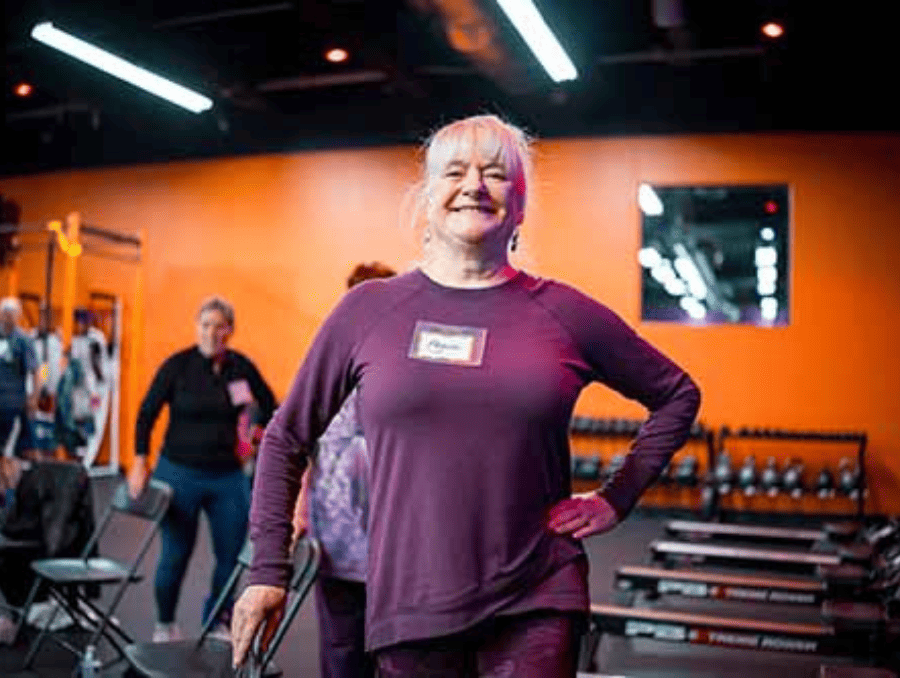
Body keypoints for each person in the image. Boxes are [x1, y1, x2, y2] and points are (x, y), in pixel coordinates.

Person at [232, 114, 701, 677]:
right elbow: (286, 437)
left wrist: (615, 497)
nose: (475, 184)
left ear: (520, 205)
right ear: (430, 198)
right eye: (455, 171)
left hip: (537, 595)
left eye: (496, 173)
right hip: (411, 602)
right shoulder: (368, 310)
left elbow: (676, 394)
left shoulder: (563, 312)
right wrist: (266, 571)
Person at [128, 296, 276, 642]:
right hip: (178, 473)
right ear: (196, 328)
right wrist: (138, 461)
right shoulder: (177, 366)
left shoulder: (240, 367)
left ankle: (217, 621)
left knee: (230, 556)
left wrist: (255, 438)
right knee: (175, 554)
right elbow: (147, 413)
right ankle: (165, 625)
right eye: (204, 325)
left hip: (226, 477)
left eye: (219, 326)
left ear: (230, 331)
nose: (211, 333)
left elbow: (270, 406)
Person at [292, 261, 396, 678]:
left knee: (397, 650)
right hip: (335, 530)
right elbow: (299, 439)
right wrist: (298, 508)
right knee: (340, 649)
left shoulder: (409, 364)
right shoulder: (326, 359)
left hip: (396, 538)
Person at [0, 296, 38, 458]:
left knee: (10, 449)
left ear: (18, 316)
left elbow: (38, 371)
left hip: (13, 405)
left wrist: (34, 398)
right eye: (5, 313)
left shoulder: (24, 341)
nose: (9, 317)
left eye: (12, 314)